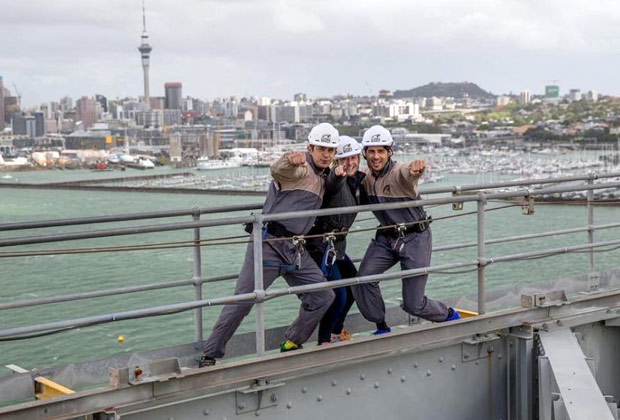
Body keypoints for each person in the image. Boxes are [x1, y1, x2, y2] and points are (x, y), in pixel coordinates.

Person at [199, 123, 340, 367]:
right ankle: (210, 354)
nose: (326, 154)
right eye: (321, 148)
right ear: (310, 147)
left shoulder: (322, 174)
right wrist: (290, 159)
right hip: (268, 247)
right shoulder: (301, 168)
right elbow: (278, 170)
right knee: (243, 301)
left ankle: (293, 341)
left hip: (295, 251)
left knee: (324, 295)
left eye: (330, 150)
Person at [352, 125, 460, 335]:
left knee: (414, 304)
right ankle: (381, 326)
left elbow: (407, 173)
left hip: (415, 238)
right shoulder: (365, 179)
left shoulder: (398, 172)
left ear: (389, 152)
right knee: (362, 280)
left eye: (381, 151)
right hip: (386, 238)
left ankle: (448, 315)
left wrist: (414, 171)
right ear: (364, 153)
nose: (376, 156)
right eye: (371, 151)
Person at [306, 136, 365, 344]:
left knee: (354, 285)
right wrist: (337, 175)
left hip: (337, 245)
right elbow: (332, 186)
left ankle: (336, 331)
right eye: (343, 159)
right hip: (320, 246)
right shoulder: (334, 179)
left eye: (353, 158)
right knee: (338, 295)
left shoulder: (358, 180)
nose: (348, 163)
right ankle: (324, 341)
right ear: (335, 162)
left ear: (359, 157)